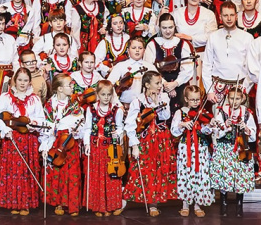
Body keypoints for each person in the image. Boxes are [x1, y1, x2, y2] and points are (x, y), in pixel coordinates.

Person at [0, 67, 43, 215]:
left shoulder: (35, 99)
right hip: (12, 139)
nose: (22, 83)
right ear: (15, 80)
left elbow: (41, 119)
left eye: (25, 80)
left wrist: (30, 122)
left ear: (30, 82)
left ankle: (25, 203)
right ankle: (12, 202)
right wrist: (4, 128)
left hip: (29, 140)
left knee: (26, 171)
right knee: (13, 171)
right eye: (20, 80)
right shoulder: (5, 98)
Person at [123, 71, 175, 217]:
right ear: (147, 85)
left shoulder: (163, 97)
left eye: (160, 83)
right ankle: (126, 200)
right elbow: (130, 124)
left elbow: (165, 116)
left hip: (161, 140)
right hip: (145, 141)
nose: (160, 86)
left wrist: (157, 102)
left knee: (158, 171)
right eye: (157, 83)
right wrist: (134, 145)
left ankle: (154, 203)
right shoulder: (138, 101)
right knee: (143, 171)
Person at [40, 74, 84, 216]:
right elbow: (46, 126)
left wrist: (76, 131)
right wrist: (45, 145)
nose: (72, 87)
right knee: (57, 172)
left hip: (69, 142)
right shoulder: (49, 105)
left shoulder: (74, 105)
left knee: (72, 173)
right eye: (69, 85)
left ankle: (72, 204)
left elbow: (80, 122)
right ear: (59, 89)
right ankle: (59, 202)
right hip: (55, 141)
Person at [210, 85, 256, 217]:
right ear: (227, 98)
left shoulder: (247, 113)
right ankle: (223, 204)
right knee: (225, 175)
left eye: (237, 99)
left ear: (242, 99)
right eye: (231, 98)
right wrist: (225, 126)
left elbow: (253, 135)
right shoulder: (222, 112)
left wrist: (246, 128)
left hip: (241, 149)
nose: (234, 102)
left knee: (240, 176)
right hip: (225, 148)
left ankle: (239, 204)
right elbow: (216, 133)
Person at [81, 80, 125, 216]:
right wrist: (87, 144)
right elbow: (87, 128)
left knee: (111, 175)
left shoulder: (116, 110)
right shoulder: (91, 109)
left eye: (108, 95)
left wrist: (117, 133)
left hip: (110, 148)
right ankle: (98, 206)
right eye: (103, 94)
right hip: (96, 146)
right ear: (98, 95)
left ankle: (112, 205)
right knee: (97, 176)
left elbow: (120, 127)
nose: (106, 97)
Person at [170, 85, 214, 217]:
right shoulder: (180, 113)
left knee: (200, 174)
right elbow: (174, 131)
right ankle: (185, 204)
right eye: (192, 100)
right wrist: (182, 124)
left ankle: (198, 204)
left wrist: (209, 125)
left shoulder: (203, 112)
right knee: (186, 174)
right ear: (186, 99)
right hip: (186, 148)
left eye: (198, 99)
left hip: (200, 148)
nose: (195, 102)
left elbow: (206, 131)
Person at [145, 13, 196, 112]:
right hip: (158, 87)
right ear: (159, 27)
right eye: (164, 28)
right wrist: (164, 84)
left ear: (175, 26)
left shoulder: (183, 44)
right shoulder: (152, 44)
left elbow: (188, 68)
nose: (168, 31)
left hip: (180, 86)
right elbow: (149, 67)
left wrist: (175, 84)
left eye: (170, 27)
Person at [203, 2, 252, 102]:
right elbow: (207, 65)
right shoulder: (213, 37)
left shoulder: (247, 37)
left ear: (236, 16)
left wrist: (245, 89)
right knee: (217, 113)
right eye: (225, 15)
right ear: (220, 17)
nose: (229, 19)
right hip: (217, 87)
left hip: (239, 86)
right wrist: (209, 90)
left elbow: (252, 67)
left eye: (232, 15)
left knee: (240, 113)